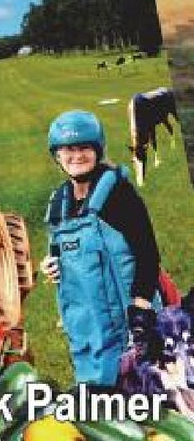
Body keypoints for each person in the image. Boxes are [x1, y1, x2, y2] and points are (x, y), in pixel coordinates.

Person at [40, 109, 160, 387]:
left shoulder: (119, 195)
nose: (76, 156)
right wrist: (51, 264)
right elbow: (59, 249)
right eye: (68, 149)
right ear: (57, 155)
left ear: (98, 150)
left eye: (84, 147)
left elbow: (148, 253)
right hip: (87, 329)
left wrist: (141, 312)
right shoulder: (59, 202)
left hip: (128, 323)